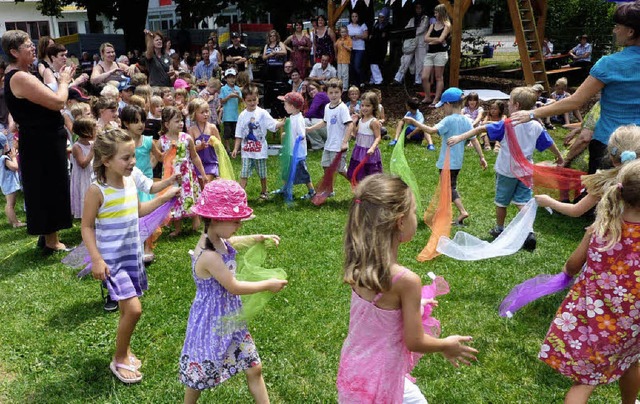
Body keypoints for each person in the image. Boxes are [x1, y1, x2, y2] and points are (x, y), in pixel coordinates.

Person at [336, 173, 478, 402]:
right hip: (381, 376)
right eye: (413, 212)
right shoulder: (405, 280)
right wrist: (446, 345)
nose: (416, 217)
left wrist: (415, 304)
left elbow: (379, 310)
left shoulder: (359, 264)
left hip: (356, 369)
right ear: (400, 221)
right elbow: (415, 341)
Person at [539, 159, 640, 404]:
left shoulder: (600, 228)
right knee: (632, 362)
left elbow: (572, 267)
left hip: (592, 322)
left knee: (584, 382)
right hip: (633, 323)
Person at [81, 128, 178, 382]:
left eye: (133, 156)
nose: (132, 162)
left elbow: (138, 210)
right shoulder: (97, 191)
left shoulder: (131, 180)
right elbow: (87, 226)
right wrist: (97, 259)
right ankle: (120, 357)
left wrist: (165, 196)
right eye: (125, 158)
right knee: (134, 310)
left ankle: (124, 349)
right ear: (106, 161)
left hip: (131, 256)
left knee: (128, 310)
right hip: (112, 262)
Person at [179, 179, 287, 403]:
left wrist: (257, 238)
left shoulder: (215, 238)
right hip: (213, 321)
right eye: (236, 221)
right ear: (218, 219)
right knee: (200, 374)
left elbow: (232, 242)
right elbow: (234, 286)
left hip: (231, 317)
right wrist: (268, 284)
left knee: (254, 367)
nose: (239, 225)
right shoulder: (209, 255)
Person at [511, 2, 640, 175]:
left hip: (610, 146)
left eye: (617, 26)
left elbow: (575, 101)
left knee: (601, 198)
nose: (614, 31)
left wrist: (532, 113)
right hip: (637, 145)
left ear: (631, 31)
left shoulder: (610, 64)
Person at [447, 87, 564, 249]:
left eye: (509, 102)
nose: (507, 105)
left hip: (506, 171)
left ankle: (499, 228)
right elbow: (549, 142)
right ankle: (529, 232)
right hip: (525, 171)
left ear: (516, 105)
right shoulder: (536, 125)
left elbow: (482, 129)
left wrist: (460, 137)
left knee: (501, 202)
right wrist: (559, 156)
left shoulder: (507, 124)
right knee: (522, 201)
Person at [3, 30, 75, 252]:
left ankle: (49, 236)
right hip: (40, 142)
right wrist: (64, 81)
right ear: (14, 52)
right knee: (47, 188)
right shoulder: (19, 76)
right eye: (27, 45)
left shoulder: (23, 73)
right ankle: (52, 241)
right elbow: (57, 102)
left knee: (49, 186)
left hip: (43, 140)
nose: (33, 47)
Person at [404, 88, 487, 225]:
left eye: (443, 106)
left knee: (449, 188)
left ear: (448, 104)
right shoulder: (466, 120)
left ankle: (462, 211)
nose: (442, 109)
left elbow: (431, 130)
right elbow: (474, 139)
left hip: (446, 163)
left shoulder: (448, 120)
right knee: (448, 187)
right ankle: (443, 213)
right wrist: (482, 157)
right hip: (457, 162)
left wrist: (414, 122)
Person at [535, 124, 640, 218]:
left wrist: (549, 202)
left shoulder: (603, 181)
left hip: (610, 236)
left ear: (610, 155)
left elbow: (575, 211)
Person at [159, 106, 208, 237]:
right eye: (176, 121)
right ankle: (177, 228)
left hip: (187, 176)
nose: (181, 123)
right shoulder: (162, 141)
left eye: (181, 120)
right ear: (167, 124)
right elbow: (159, 158)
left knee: (190, 197)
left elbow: (194, 156)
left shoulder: (186, 138)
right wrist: (167, 151)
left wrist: (203, 174)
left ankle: (195, 222)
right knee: (174, 199)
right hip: (172, 177)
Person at [232, 84, 284, 199]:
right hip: (246, 151)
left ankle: (264, 191)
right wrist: (236, 148)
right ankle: (240, 194)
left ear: (258, 99)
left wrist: (282, 123)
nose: (252, 103)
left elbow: (273, 125)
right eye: (249, 100)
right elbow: (239, 134)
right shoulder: (242, 116)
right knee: (244, 172)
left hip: (260, 150)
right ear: (244, 101)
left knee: (262, 172)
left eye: (254, 100)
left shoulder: (262, 113)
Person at [306, 78, 353, 192]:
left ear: (341, 92)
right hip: (329, 144)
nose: (334, 95)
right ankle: (330, 190)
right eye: (331, 93)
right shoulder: (328, 107)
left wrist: (344, 142)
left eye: (336, 92)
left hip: (338, 145)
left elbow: (350, 125)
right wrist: (310, 128)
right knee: (326, 166)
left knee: (341, 169)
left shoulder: (342, 108)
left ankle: (357, 184)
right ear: (326, 93)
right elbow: (324, 122)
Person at [272, 92, 316, 199]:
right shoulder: (292, 117)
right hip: (291, 151)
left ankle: (312, 191)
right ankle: (285, 188)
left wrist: (297, 139)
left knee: (303, 173)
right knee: (287, 171)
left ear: (292, 106)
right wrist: (286, 134)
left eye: (285, 104)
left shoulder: (299, 119)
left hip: (298, 153)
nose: (284, 106)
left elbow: (301, 134)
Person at [346, 91, 383, 183]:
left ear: (374, 106)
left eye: (368, 106)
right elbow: (355, 134)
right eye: (362, 105)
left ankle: (370, 193)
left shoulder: (374, 122)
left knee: (369, 175)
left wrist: (372, 148)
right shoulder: (361, 119)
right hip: (358, 151)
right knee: (358, 174)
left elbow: (378, 137)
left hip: (369, 152)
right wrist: (354, 123)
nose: (364, 108)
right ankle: (360, 193)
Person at [392, 2, 429, 86]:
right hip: (411, 42)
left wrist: (412, 31)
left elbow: (422, 28)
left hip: (421, 43)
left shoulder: (425, 18)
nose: (418, 9)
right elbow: (407, 29)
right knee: (405, 60)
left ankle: (418, 81)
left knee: (420, 62)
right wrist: (409, 32)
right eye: (417, 8)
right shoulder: (412, 19)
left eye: (420, 8)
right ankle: (398, 78)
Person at [421, 4, 451, 106]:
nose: (435, 14)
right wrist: (435, 41)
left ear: (441, 13)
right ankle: (428, 96)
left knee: (438, 77)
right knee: (424, 77)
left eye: (436, 12)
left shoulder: (447, 25)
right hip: (430, 53)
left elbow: (441, 39)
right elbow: (425, 39)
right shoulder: (432, 25)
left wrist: (433, 40)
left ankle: (436, 99)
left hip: (441, 53)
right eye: (435, 12)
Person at [188, 98, 221, 182]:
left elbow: (220, 146)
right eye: (202, 112)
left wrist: (214, 143)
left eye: (207, 111)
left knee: (206, 183)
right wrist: (199, 147)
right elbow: (189, 150)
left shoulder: (212, 127)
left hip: (211, 162)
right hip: (198, 164)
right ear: (194, 114)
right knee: (200, 187)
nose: (205, 114)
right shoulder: (192, 130)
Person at [70, 117, 96, 219]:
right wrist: (92, 152)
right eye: (94, 129)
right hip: (82, 178)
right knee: (85, 197)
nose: (96, 131)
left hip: (92, 175)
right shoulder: (77, 146)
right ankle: (86, 221)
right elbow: (83, 163)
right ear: (86, 131)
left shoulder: (91, 143)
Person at [0, 133, 23, 228]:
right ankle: (15, 223)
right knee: (10, 204)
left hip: (5, 184)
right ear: (5, 145)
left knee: (9, 203)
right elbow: (15, 167)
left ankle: (11, 219)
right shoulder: (4, 158)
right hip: (9, 184)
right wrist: (13, 157)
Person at [220, 68, 242, 152]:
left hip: (236, 115)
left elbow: (241, 100)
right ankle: (228, 148)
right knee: (227, 133)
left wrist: (237, 96)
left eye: (233, 77)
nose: (231, 79)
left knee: (236, 132)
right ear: (225, 79)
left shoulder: (237, 88)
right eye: (229, 77)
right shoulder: (223, 89)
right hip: (227, 115)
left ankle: (236, 148)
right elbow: (221, 101)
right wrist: (229, 96)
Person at [304, 81, 330, 151]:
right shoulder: (323, 95)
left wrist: (303, 115)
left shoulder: (320, 95)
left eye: (313, 89)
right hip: (330, 129)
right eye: (309, 91)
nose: (311, 92)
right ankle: (322, 143)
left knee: (305, 121)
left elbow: (311, 111)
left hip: (329, 128)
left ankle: (318, 145)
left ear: (318, 88)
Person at [368, 9, 390, 85]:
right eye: (380, 17)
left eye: (382, 17)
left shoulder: (387, 26)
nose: (381, 19)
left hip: (381, 47)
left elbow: (384, 37)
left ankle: (378, 79)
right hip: (373, 47)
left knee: (377, 63)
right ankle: (374, 79)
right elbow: (372, 35)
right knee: (373, 62)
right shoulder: (375, 25)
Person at [347, 12, 368, 88]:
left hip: (360, 48)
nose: (354, 18)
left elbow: (366, 36)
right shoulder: (348, 26)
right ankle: (353, 82)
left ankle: (361, 80)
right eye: (353, 16)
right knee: (351, 66)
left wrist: (358, 36)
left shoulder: (362, 25)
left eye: (356, 16)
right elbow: (345, 36)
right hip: (351, 48)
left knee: (357, 65)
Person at [334, 26, 352, 91]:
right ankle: (340, 86)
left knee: (345, 74)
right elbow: (335, 46)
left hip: (345, 59)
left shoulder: (348, 39)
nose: (343, 33)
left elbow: (350, 49)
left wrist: (344, 45)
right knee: (339, 74)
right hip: (339, 59)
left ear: (347, 32)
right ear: (340, 33)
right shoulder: (338, 40)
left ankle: (345, 88)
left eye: (344, 32)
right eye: (342, 32)